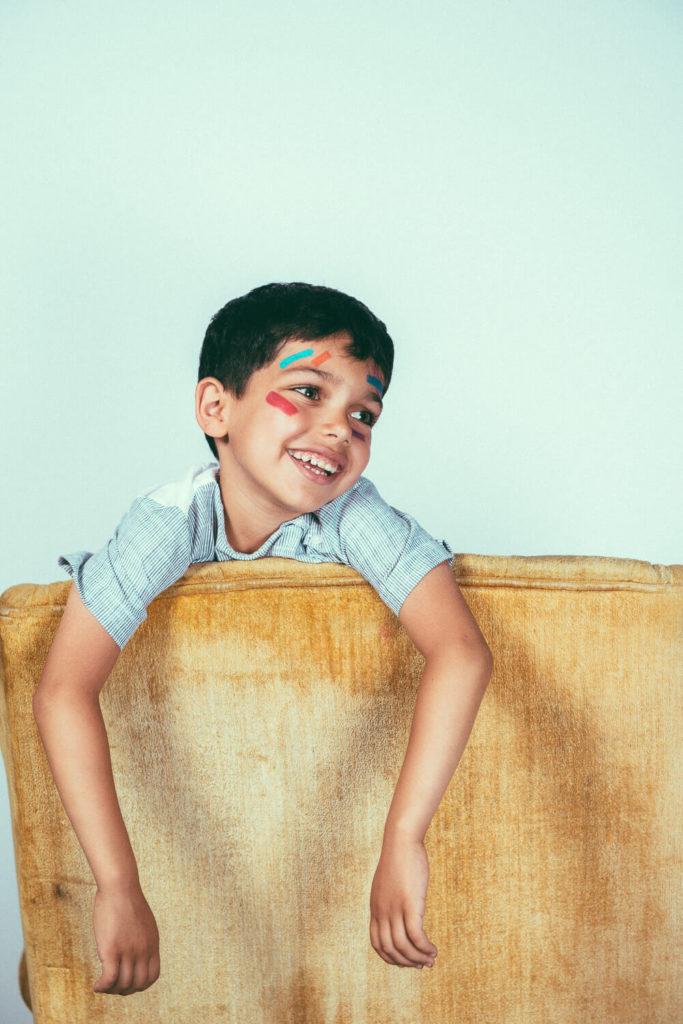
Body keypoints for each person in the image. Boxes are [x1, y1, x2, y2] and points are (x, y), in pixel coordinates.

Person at [33, 281, 493, 997]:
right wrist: (117, 885)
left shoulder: (351, 513)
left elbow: (460, 650)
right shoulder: (167, 522)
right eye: (308, 391)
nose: (340, 427)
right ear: (216, 408)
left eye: (363, 413)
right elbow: (64, 688)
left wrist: (403, 837)